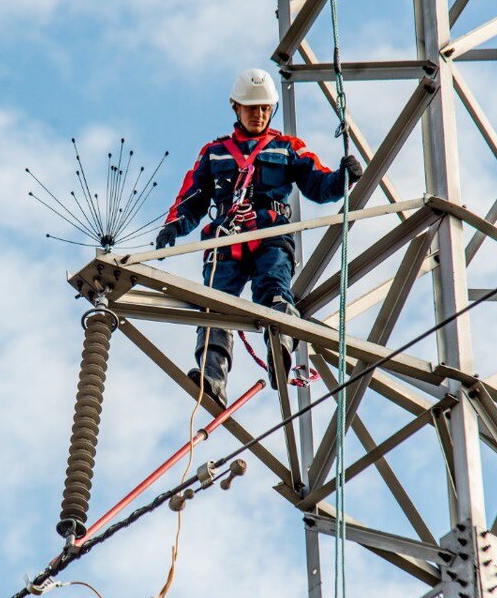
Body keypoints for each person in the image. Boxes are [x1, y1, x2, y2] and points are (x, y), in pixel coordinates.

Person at [155, 68, 362, 408]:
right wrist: (173, 227)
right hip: (225, 240)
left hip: (270, 235)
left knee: (274, 292)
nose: (259, 114)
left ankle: (279, 345)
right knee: (214, 307)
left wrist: (343, 177)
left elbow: (317, 184)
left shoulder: (287, 149)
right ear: (236, 107)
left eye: (265, 108)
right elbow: (192, 198)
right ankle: (213, 379)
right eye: (252, 108)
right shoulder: (215, 153)